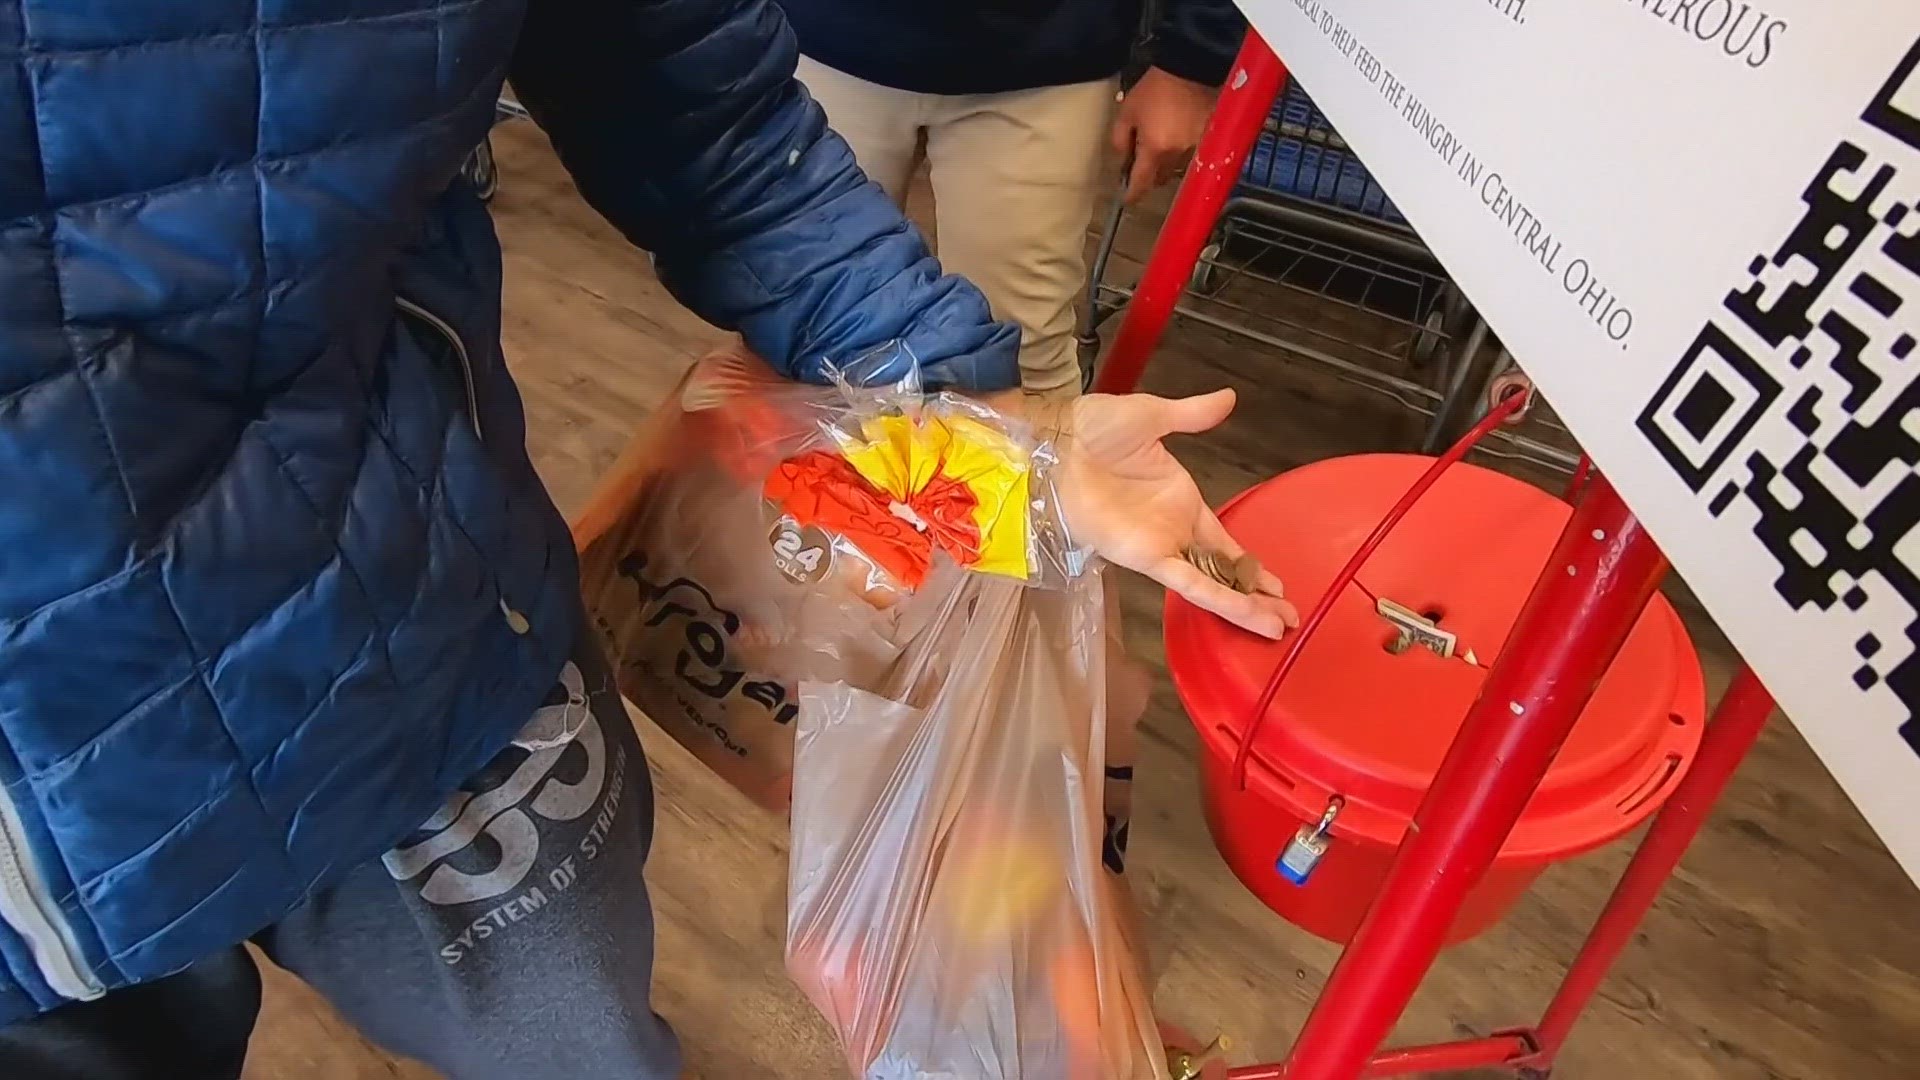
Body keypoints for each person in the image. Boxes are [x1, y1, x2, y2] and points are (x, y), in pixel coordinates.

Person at [0, 2, 1289, 1078]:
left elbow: (707, 123)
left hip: (416, 635)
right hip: (38, 815)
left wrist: (1003, 439)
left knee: (586, 1044)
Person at [783, 0, 1249, 400]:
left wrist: (1191, 64)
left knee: (1022, 364)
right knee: (800, 345)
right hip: (821, 41)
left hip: (1046, 56)